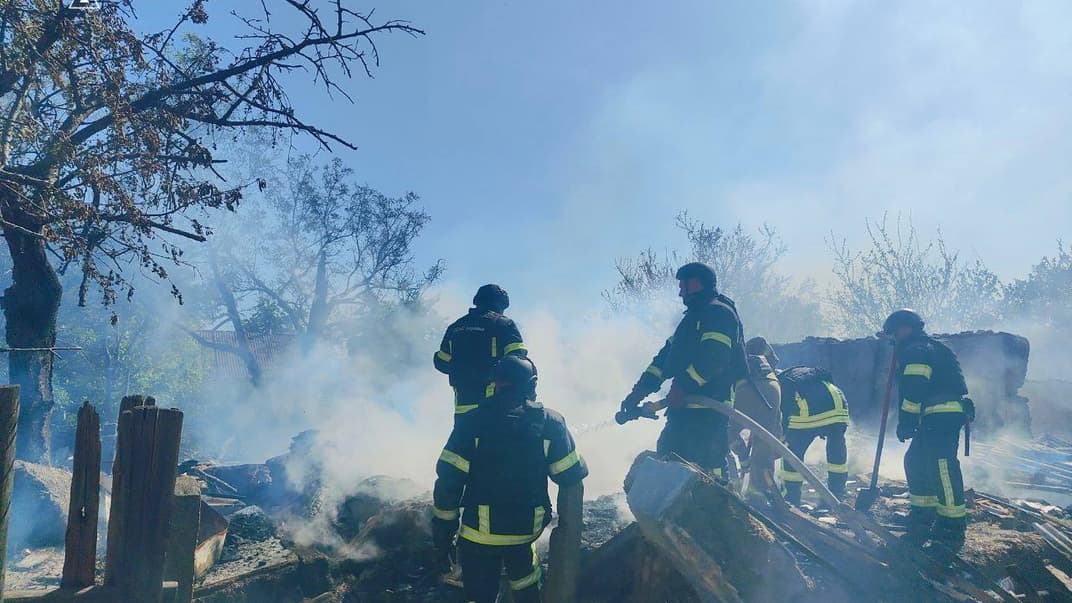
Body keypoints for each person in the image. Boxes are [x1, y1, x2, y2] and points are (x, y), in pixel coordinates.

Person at [431, 355, 587, 603]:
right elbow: (571, 474)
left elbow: (448, 482)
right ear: (532, 384)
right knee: (525, 577)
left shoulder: (471, 422)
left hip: (478, 535)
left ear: (496, 384)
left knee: (479, 593)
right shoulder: (551, 422)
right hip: (526, 531)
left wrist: (442, 536)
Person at [618, 262, 747, 477]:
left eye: (683, 285)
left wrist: (683, 386)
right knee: (668, 455)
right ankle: (675, 509)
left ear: (696, 284)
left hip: (711, 407)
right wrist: (637, 393)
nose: (679, 292)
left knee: (709, 462)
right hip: (684, 407)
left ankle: (721, 503)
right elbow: (662, 361)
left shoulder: (720, 313)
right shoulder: (690, 320)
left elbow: (714, 359)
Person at [885, 309, 974, 549]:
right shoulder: (927, 347)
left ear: (905, 328)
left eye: (894, 333)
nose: (894, 339)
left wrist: (906, 422)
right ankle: (923, 515)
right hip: (937, 413)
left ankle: (952, 525)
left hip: (942, 412)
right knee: (915, 460)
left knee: (942, 464)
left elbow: (914, 389)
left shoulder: (916, 351)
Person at [434, 284, 527, 419]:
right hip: (496, 406)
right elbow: (519, 362)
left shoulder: (455, 327)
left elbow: (441, 362)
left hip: (463, 407)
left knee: (465, 440)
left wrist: (462, 369)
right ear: (500, 305)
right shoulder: (504, 324)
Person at [774, 364, 850, 505]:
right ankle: (836, 496)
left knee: (792, 455)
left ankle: (791, 498)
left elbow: (783, 413)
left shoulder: (783, 382)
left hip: (810, 412)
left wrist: (782, 438)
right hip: (839, 406)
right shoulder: (806, 373)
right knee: (836, 453)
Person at [734, 336, 783, 499]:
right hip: (773, 387)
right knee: (766, 440)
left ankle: (734, 485)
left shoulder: (737, 355)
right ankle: (761, 492)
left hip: (745, 389)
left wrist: (743, 458)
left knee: (727, 431)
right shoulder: (763, 352)